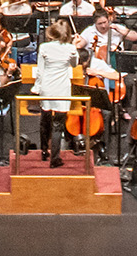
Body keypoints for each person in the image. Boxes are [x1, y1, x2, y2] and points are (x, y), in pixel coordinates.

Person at [34, 21, 79, 167]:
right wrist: (74, 50)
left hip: (47, 87)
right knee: (58, 124)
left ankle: (43, 151)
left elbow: (40, 71)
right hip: (62, 88)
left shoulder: (44, 47)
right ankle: (55, 158)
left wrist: (37, 87)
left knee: (45, 119)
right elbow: (74, 65)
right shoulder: (71, 48)